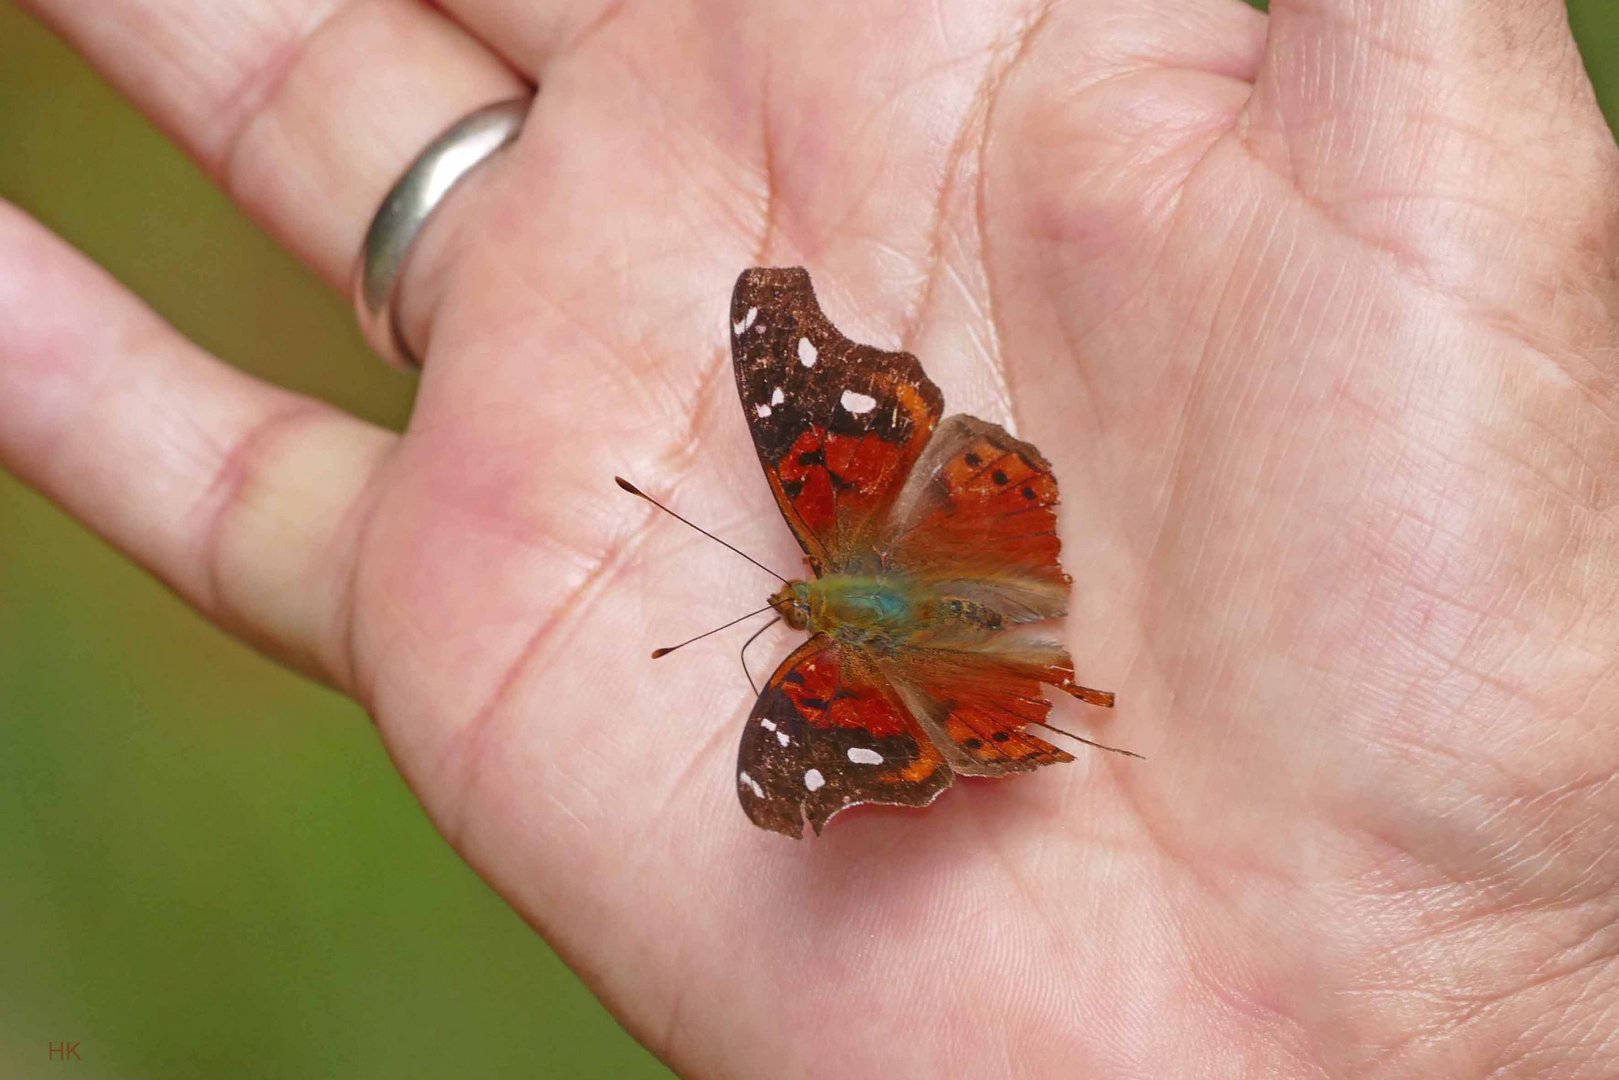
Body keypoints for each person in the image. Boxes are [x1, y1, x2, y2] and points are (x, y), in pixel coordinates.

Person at [3, 0, 1617, 1075]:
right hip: (958, 516)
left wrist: (1519, 982)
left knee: (997, 676)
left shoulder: (805, 694)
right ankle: (1026, 694)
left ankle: (1028, 704)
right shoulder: (810, 612)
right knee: (990, 629)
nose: (776, 616)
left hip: (953, 645)